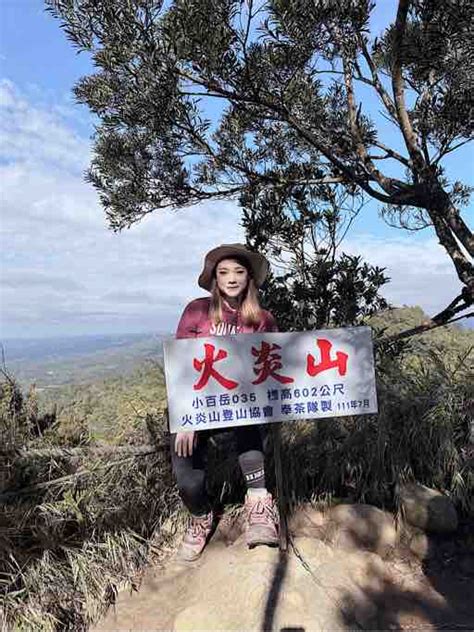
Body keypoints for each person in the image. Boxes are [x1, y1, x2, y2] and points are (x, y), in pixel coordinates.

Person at [170, 243, 280, 562]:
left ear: (249, 279)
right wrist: (186, 419)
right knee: (185, 468)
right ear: (214, 279)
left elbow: (270, 369)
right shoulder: (196, 311)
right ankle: (201, 515)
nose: (231, 278)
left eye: (239, 272)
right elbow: (182, 366)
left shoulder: (262, 319)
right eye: (223, 272)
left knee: (250, 428)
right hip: (198, 403)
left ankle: (259, 506)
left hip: (242, 402)